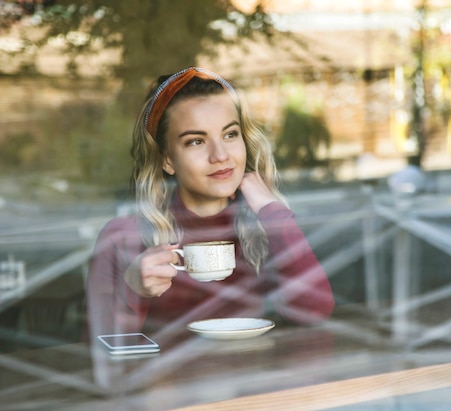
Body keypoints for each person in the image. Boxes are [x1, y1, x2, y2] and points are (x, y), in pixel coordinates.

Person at [86, 67, 335, 343]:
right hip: (170, 385)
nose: (220, 155)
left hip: (263, 381)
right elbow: (98, 349)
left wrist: (272, 212)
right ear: (166, 159)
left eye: (230, 135)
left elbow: (315, 313)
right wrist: (133, 287)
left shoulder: (269, 224)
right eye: (196, 141)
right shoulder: (123, 237)